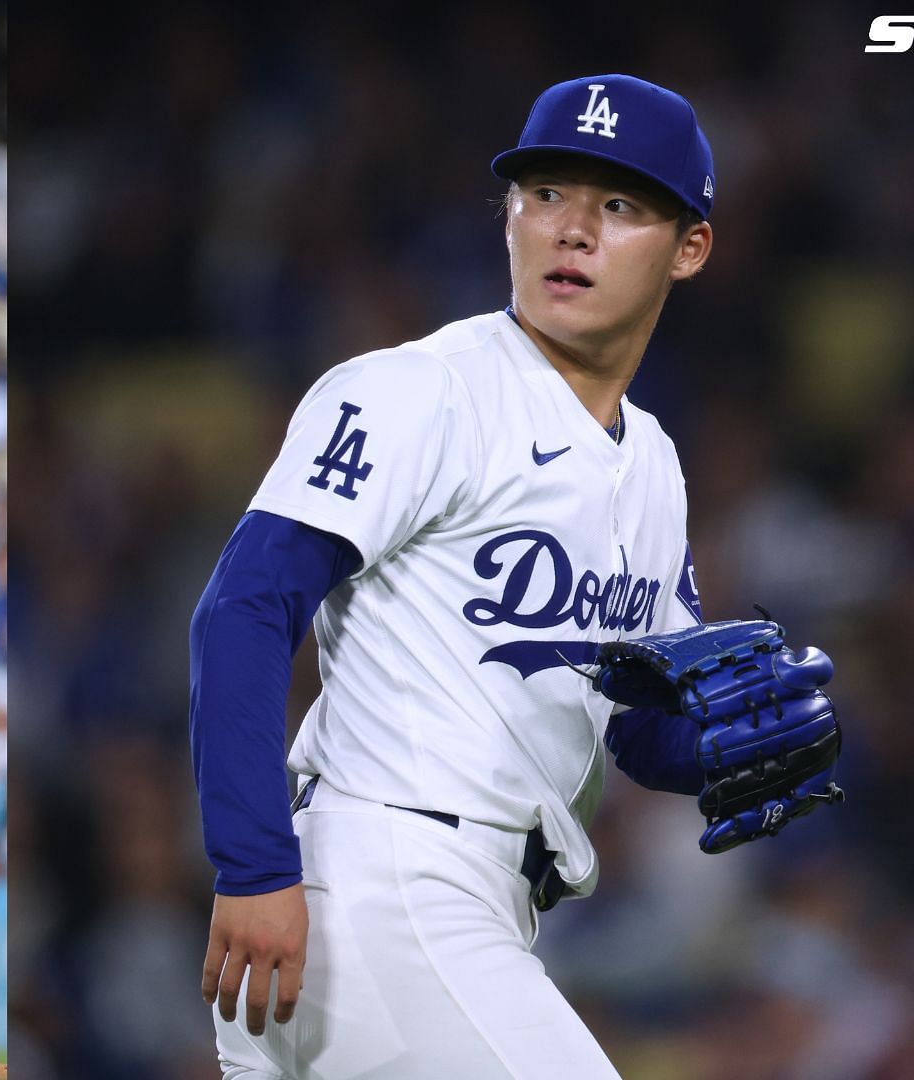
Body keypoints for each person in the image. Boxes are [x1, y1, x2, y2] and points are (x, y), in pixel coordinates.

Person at [188, 75, 830, 1077]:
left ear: (690, 245)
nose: (572, 230)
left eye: (618, 205)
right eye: (545, 195)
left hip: (474, 905)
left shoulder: (652, 462)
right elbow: (242, 611)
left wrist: (724, 744)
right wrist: (253, 863)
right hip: (383, 886)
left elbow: (632, 724)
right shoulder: (421, 393)